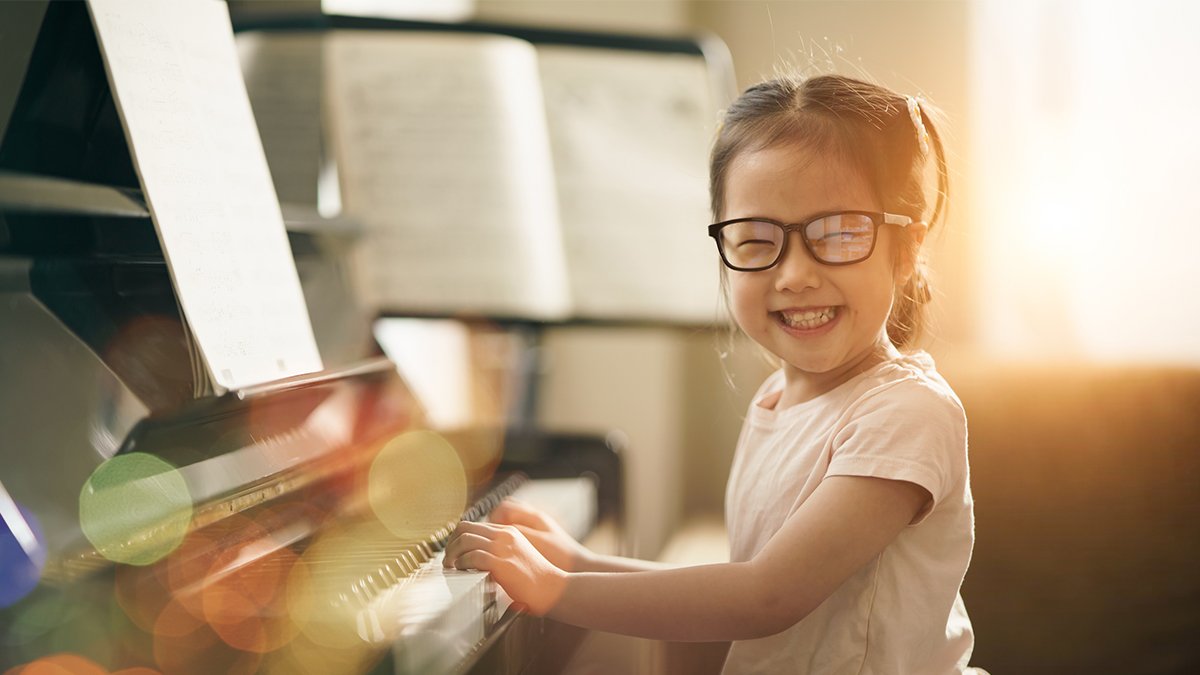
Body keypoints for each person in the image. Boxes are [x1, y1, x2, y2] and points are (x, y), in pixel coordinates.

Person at [444, 73, 984, 674]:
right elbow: (736, 582)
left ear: (906, 251)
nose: (795, 275)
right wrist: (576, 563)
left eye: (836, 234)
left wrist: (558, 589)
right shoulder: (778, 398)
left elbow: (766, 596)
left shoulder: (908, 413)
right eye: (756, 239)